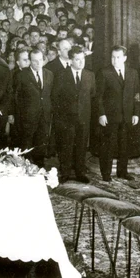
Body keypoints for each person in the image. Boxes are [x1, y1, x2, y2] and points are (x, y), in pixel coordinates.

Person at [95, 46, 140, 181]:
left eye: (118, 57)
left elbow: (137, 95)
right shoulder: (104, 72)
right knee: (108, 146)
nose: (115, 60)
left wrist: (136, 113)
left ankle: (122, 172)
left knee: (124, 145)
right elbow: (99, 97)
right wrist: (101, 114)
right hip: (110, 117)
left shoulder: (133, 73)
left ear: (125, 58)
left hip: (127, 116)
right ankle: (106, 174)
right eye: (113, 57)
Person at [52, 46, 96, 183]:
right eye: (77, 60)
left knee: (82, 146)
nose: (81, 62)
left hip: (83, 118)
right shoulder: (61, 75)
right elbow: (55, 96)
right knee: (66, 145)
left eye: (82, 59)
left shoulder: (90, 75)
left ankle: (80, 172)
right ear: (71, 60)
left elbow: (92, 95)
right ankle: (64, 173)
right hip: (66, 119)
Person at [13, 49, 53, 167]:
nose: (38, 63)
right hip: (27, 117)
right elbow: (16, 97)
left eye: (40, 60)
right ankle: (25, 169)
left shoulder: (49, 74)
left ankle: (39, 168)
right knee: (26, 144)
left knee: (41, 143)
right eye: (35, 61)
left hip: (44, 115)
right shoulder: (21, 75)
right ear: (30, 61)